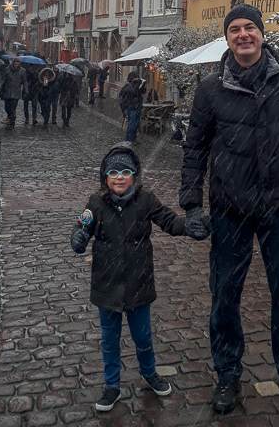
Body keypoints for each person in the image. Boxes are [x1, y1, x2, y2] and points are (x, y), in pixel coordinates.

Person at [179, 4, 279, 423]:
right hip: (230, 208)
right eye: (235, 30)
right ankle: (227, 375)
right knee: (225, 297)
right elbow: (195, 149)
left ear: (261, 34)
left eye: (249, 28)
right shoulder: (210, 89)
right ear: (227, 39)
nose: (243, 34)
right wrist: (192, 203)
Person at [70, 142, 204, 412]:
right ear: (105, 177)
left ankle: (149, 372)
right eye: (114, 172)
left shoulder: (146, 200)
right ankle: (112, 385)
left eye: (126, 171)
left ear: (134, 175)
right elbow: (81, 229)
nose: (120, 177)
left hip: (138, 283)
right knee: (110, 339)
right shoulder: (96, 203)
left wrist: (190, 226)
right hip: (106, 285)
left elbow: (169, 221)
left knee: (142, 336)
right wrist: (79, 238)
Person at [118, 72, 146, 143]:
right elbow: (133, 93)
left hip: (137, 107)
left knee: (135, 124)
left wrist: (142, 85)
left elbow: (142, 92)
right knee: (132, 124)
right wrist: (124, 110)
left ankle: (133, 139)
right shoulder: (128, 86)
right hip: (131, 107)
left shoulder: (136, 85)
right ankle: (129, 140)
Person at [0, 58, 27, 129]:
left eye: (18, 63)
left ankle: (12, 123)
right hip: (7, 91)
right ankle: (9, 118)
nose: (16, 64)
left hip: (16, 92)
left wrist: (25, 90)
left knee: (13, 108)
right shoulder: (7, 69)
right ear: (13, 63)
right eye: (15, 63)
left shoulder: (22, 71)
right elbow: (3, 79)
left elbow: (25, 82)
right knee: (7, 108)